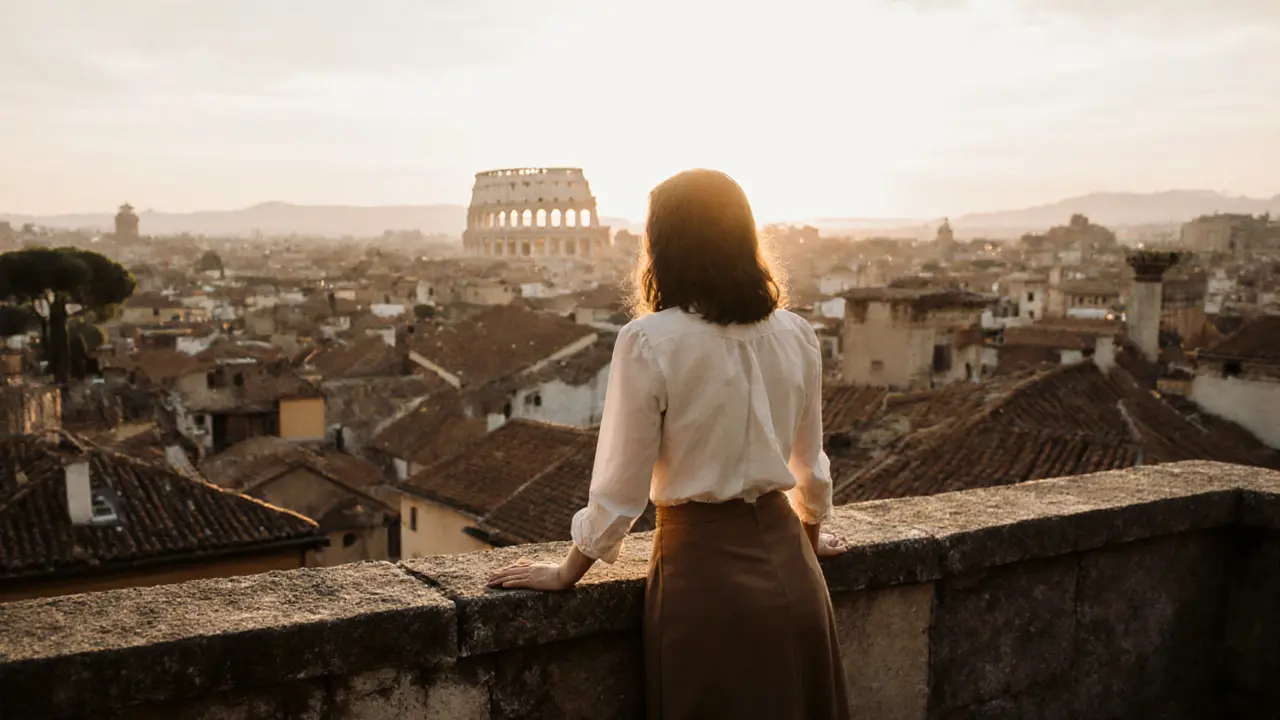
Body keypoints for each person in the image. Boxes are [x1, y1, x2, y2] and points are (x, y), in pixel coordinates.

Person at [487, 169, 850, 720]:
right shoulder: (796, 334)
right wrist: (811, 539)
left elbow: (619, 490)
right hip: (796, 574)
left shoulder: (648, 342)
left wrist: (567, 571)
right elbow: (811, 468)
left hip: (703, 581)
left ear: (664, 245)